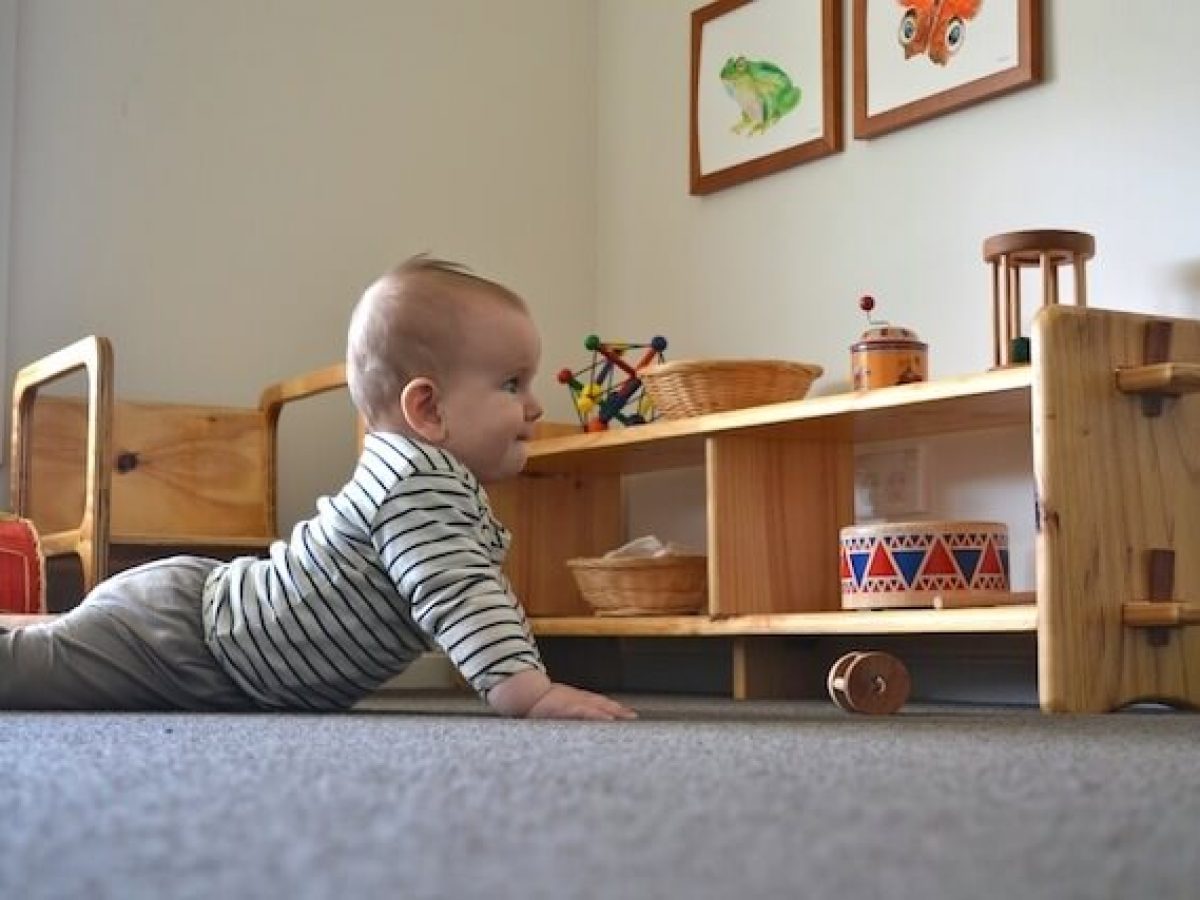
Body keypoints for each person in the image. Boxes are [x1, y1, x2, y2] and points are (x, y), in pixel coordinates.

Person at [0, 255, 636, 721]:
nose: (533, 406)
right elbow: (458, 590)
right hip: (189, 646)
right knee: (28, 673)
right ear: (429, 409)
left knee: (47, 648)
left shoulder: (424, 476)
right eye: (511, 385)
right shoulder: (419, 485)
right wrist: (530, 692)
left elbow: (475, 584)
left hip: (202, 623)